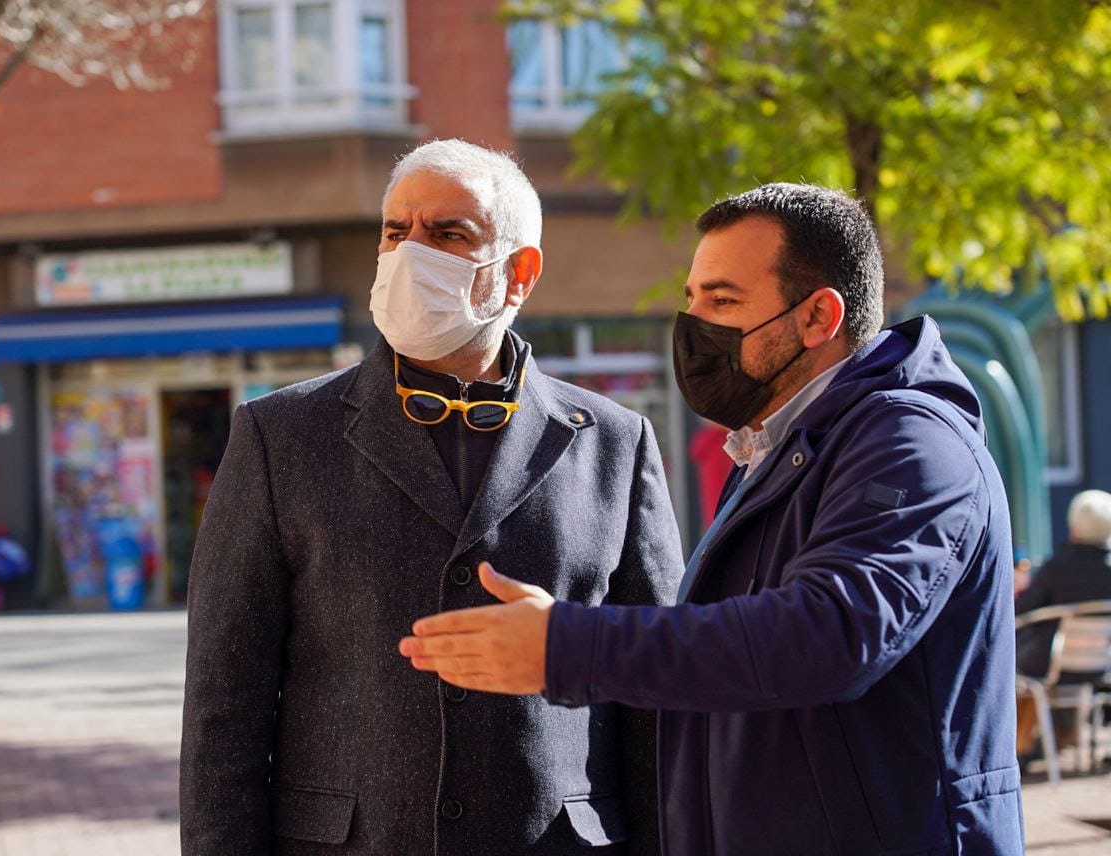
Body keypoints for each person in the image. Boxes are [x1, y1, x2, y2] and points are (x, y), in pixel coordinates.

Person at [401, 183, 1024, 854]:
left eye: (724, 301)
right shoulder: (780, 445)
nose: (694, 327)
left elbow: (830, 636)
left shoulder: (910, 447)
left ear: (819, 317)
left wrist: (568, 646)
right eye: (692, 298)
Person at [180, 139, 683, 855]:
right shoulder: (279, 436)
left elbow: (653, 696)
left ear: (519, 274)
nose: (412, 251)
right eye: (396, 231)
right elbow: (223, 704)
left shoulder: (614, 441)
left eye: (448, 234)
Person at [1014, 489, 1111, 758]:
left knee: (1015, 661)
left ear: (1074, 525)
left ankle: (1022, 743)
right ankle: (1062, 735)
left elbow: (1020, 611)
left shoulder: (1056, 568)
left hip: (1050, 666)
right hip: (1101, 667)